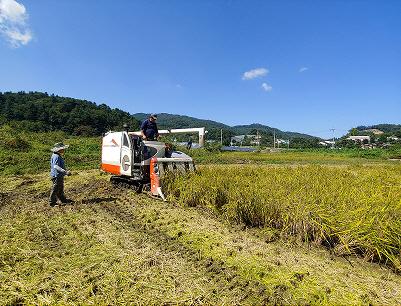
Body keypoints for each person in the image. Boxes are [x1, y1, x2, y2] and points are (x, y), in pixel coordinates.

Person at [49, 142, 73, 207]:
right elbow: (56, 166)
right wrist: (65, 172)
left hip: (59, 175)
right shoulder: (56, 156)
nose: (63, 150)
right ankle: (52, 203)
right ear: (59, 149)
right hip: (57, 175)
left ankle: (63, 200)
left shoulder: (57, 155)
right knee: (56, 189)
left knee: (60, 188)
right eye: (62, 149)